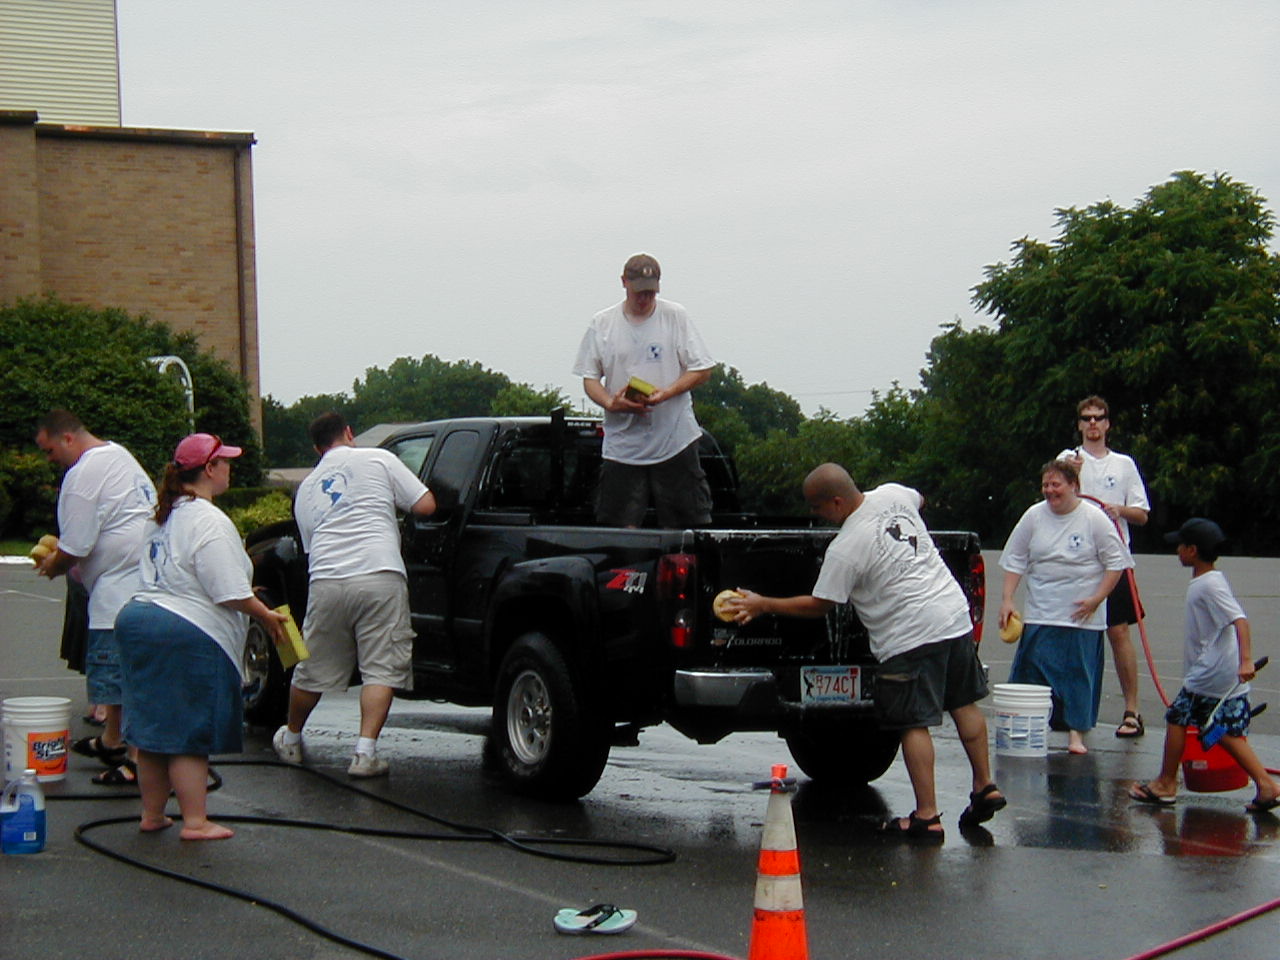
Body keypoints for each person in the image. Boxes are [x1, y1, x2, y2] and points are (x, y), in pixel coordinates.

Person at [725, 464, 1004, 842]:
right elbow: (920, 499)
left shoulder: (846, 547)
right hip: (953, 615)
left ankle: (926, 817)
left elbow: (820, 605)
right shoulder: (893, 493)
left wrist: (763, 604)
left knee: (914, 723)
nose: (815, 514)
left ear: (837, 502)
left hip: (910, 634)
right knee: (963, 703)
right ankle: (985, 786)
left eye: (818, 507)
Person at [115, 434, 288, 840]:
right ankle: (195, 821)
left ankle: (152, 814)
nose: (230, 468)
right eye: (225, 462)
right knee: (188, 731)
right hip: (186, 628)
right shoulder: (210, 520)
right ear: (209, 469)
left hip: (139, 618)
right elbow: (227, 590)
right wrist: (265, 614)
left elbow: (180, 574)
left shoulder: (163, 515)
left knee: (153, 729)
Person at [274, 412, 436, 777]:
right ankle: (365, 754)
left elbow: (310, 549)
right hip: (380, 573)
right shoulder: (378, 458)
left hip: (327, 579)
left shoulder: (306, 488)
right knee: (380, 667)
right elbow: (426, 505)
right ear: (349, 433)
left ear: (317, 449)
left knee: (311, 668)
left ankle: (292, 738)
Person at [33, 410, 155, 785]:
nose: (50, 459)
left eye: (50, 450)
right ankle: (113, 740)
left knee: (120, 676)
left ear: (68, 438)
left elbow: (76, 544)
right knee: (118, 678)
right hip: (140, 584)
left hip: (117, 592)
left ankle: (136, 760)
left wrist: (54, 564)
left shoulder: (83, 474)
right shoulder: (119, 456)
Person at [1130, 518, 1279, 811]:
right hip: (1217, 672)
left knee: (1178, 718)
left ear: (1192, 550)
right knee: (1221, 731)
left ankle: (1165, 783)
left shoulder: (1209, 585)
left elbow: (1240, 620)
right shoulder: (1208, 581)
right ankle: (1266, 785)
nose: (1177, 550)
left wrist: (1246, 660)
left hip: (1210, 673)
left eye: (1180, 545)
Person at [573, 252, 716, 528]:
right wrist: (611, 403)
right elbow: (590, 378)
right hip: (622, 445)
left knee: (685, 527)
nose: (644, 298)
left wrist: (666, 393)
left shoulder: (674, 316)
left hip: (675, 440)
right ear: (624, 282)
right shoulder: (602, 323)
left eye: (650, 292)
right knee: (618, 528)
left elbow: (702, 369)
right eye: (639, 292)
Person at [999, 459, 1132, 754]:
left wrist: (1097, 598)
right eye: (1045, 485)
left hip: (1081, 615)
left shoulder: (1094, 519)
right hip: (1041, 611)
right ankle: (1030, 729)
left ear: (1074, 486)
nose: (1050, 490)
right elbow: (1016, 558)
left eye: (1056, 484)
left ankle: (1076, 735)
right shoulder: (1034, 516)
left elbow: (1116, 562)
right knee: (1031, 674)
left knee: (1077, 676)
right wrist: (1008, 599)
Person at [1058, 396, 1151, 737]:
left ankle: (1132, 711)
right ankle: (1069, 711)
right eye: (1087, 418)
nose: (1093, 423)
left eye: (1099, 417)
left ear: (1108, 424)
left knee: (1118, 632)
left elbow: (1141, 514)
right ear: (1079, 424)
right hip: (1075, 559)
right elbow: (1051, 502)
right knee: (1070, 632)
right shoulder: (1067, 460)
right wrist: (1072, 476)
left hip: (1114, 559)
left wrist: (1118, 510)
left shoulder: (1123, 464)